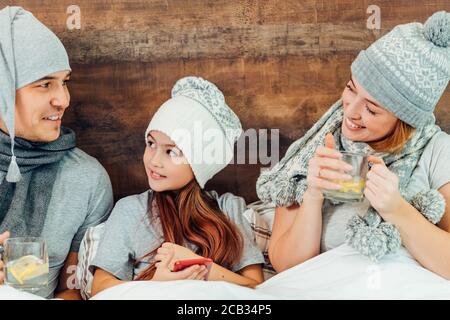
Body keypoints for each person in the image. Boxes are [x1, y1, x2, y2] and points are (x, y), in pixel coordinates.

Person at [257, 11, 450, 279]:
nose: (351, 111)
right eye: (351, 88)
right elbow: (286, 267)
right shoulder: (311, 151)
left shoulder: (438, 151)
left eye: (371, 109)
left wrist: (396, 209)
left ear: (405, 120)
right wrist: (313, 194)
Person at [90, 76, 265, 296]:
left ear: (199, 163)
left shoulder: (228, 208)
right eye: (151, 143)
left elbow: (255, 287)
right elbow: (99, 289)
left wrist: (200, 266)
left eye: (171, 151)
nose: (154, 161)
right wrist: (155, 284)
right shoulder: (131, 210)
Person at [0, 6, 113, 299]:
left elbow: (71, 291)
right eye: (44, 84)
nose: (63, 99)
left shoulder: (87, 179)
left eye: (65, 82)